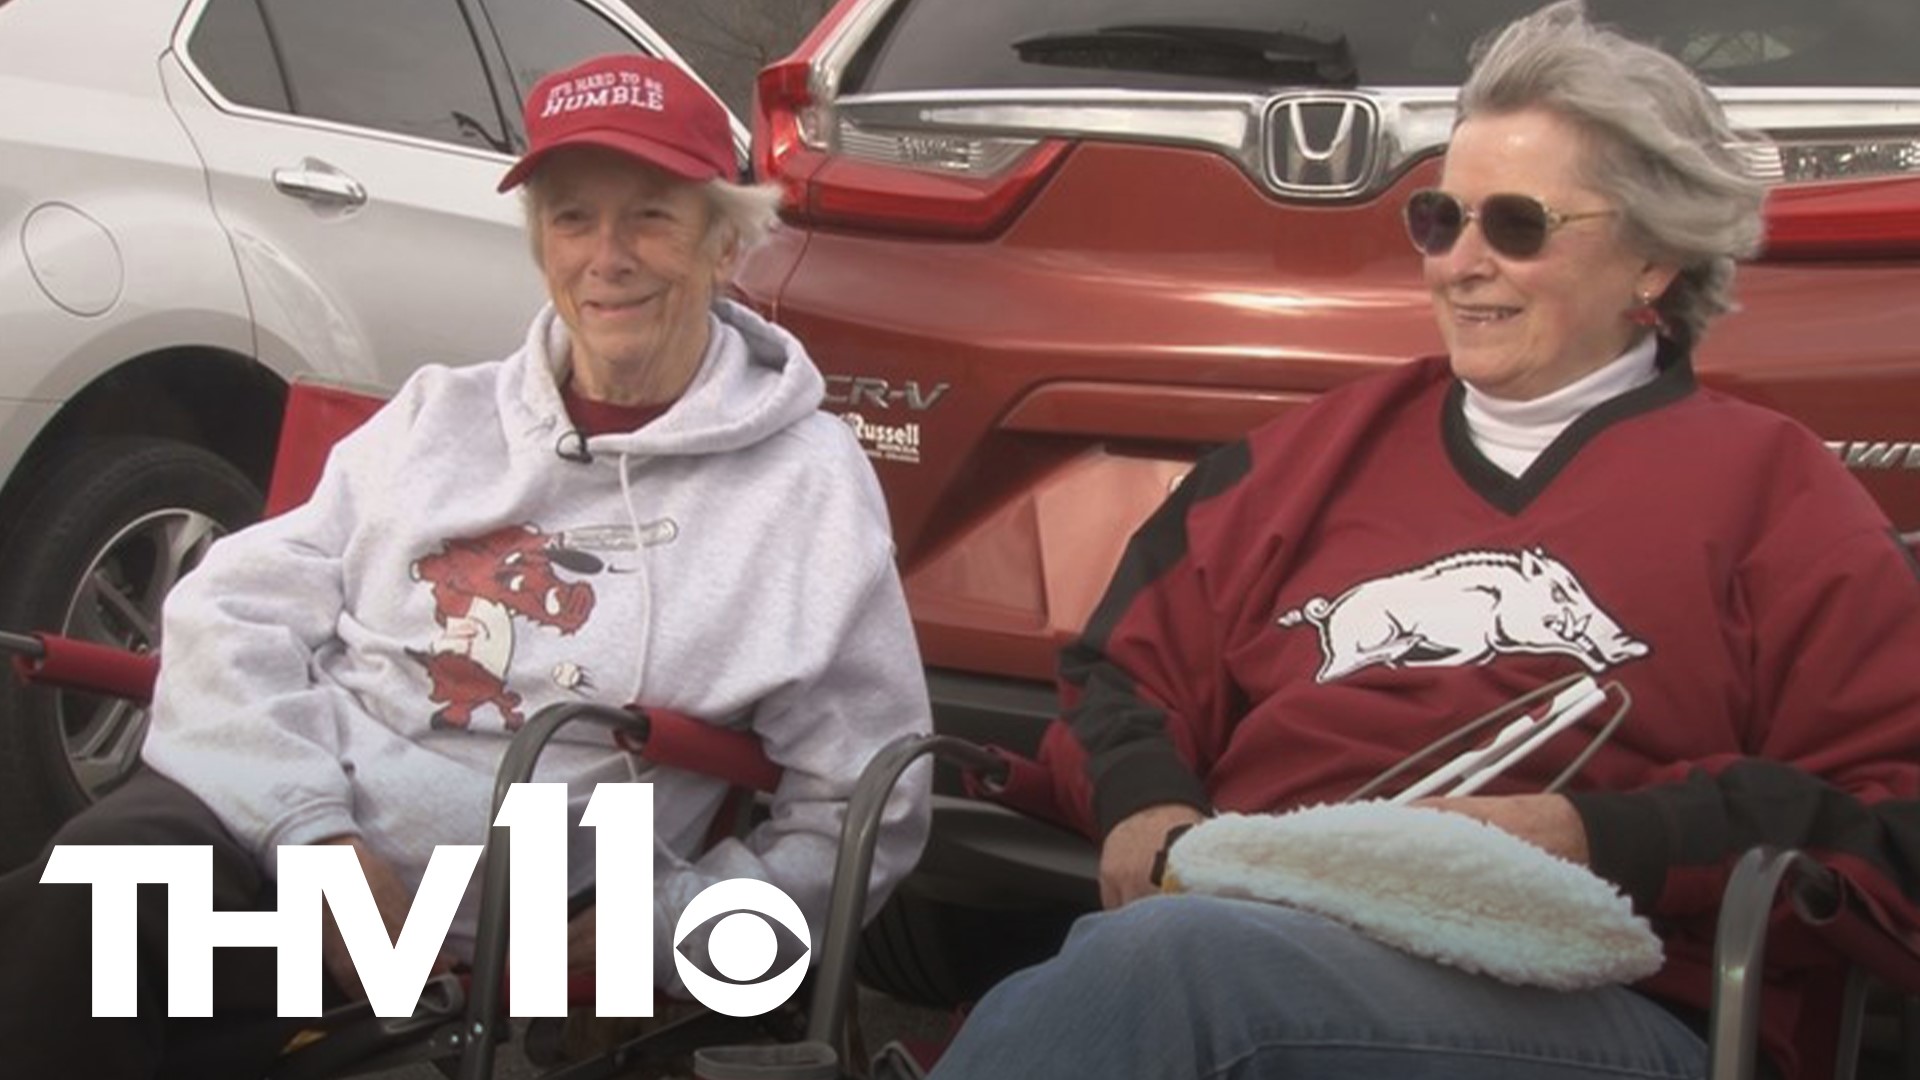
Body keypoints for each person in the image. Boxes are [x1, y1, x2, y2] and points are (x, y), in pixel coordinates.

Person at [928, 4, 1920, 1079]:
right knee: (1156, 965)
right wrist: (1148, 805)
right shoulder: (1301, 462)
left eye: (1519, 226)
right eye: (1441, 220)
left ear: (1657, 257)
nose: (1461, 264)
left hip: (1607, 1004)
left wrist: (1608, 839)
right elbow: (1121, 679)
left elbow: (1895, 820)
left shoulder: (1775, 496)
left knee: (1159, 976)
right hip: (1259, 930)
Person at [0, 53, 931, 1078]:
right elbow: (231, 609)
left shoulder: (805, 486)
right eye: (572, 218)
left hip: (536, 896)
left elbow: (865, 802)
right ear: (541, 244)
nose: (606, 256)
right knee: (67, 924)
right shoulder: (440, 413)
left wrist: (676, 927)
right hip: (300, 827)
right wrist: (313, 837)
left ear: (723, 240)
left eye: (653, 218)